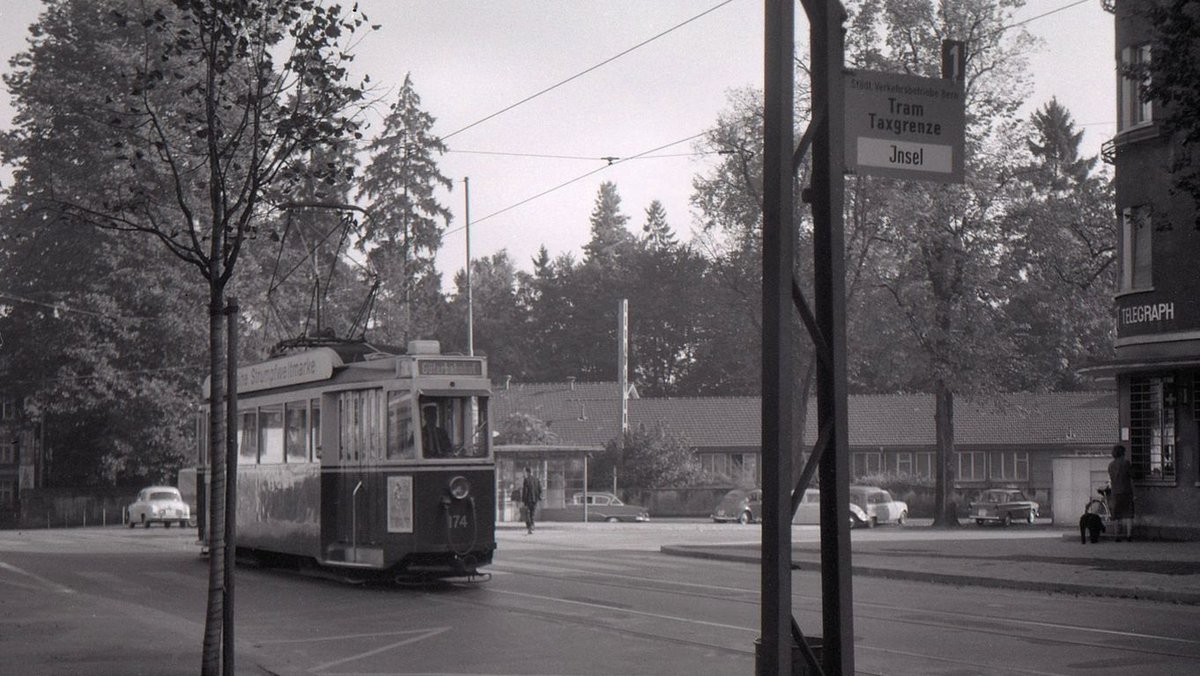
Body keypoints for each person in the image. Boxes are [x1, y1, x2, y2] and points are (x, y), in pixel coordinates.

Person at [1108, 443, 1135, 541]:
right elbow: (1132, 476)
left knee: (1116, 515)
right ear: (1123, 453)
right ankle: (1129, 536)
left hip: (1115, 492)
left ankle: (1117, 536)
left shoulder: (1110, 465)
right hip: (1126, 491)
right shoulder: (1126, 463)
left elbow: (1111, 478)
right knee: (1129, 514)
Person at [521, 466, 542, 534]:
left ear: (527, 472)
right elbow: (540, 489)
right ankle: (532, 525)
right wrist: (538, 497)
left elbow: (525, 491)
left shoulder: (526, 480)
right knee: (532, 513)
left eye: (524, 471)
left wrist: (523, 500)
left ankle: (529, 526)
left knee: (527, 513)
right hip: (534, 499)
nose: (524, 473)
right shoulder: (536, 479)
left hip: (528, 500)